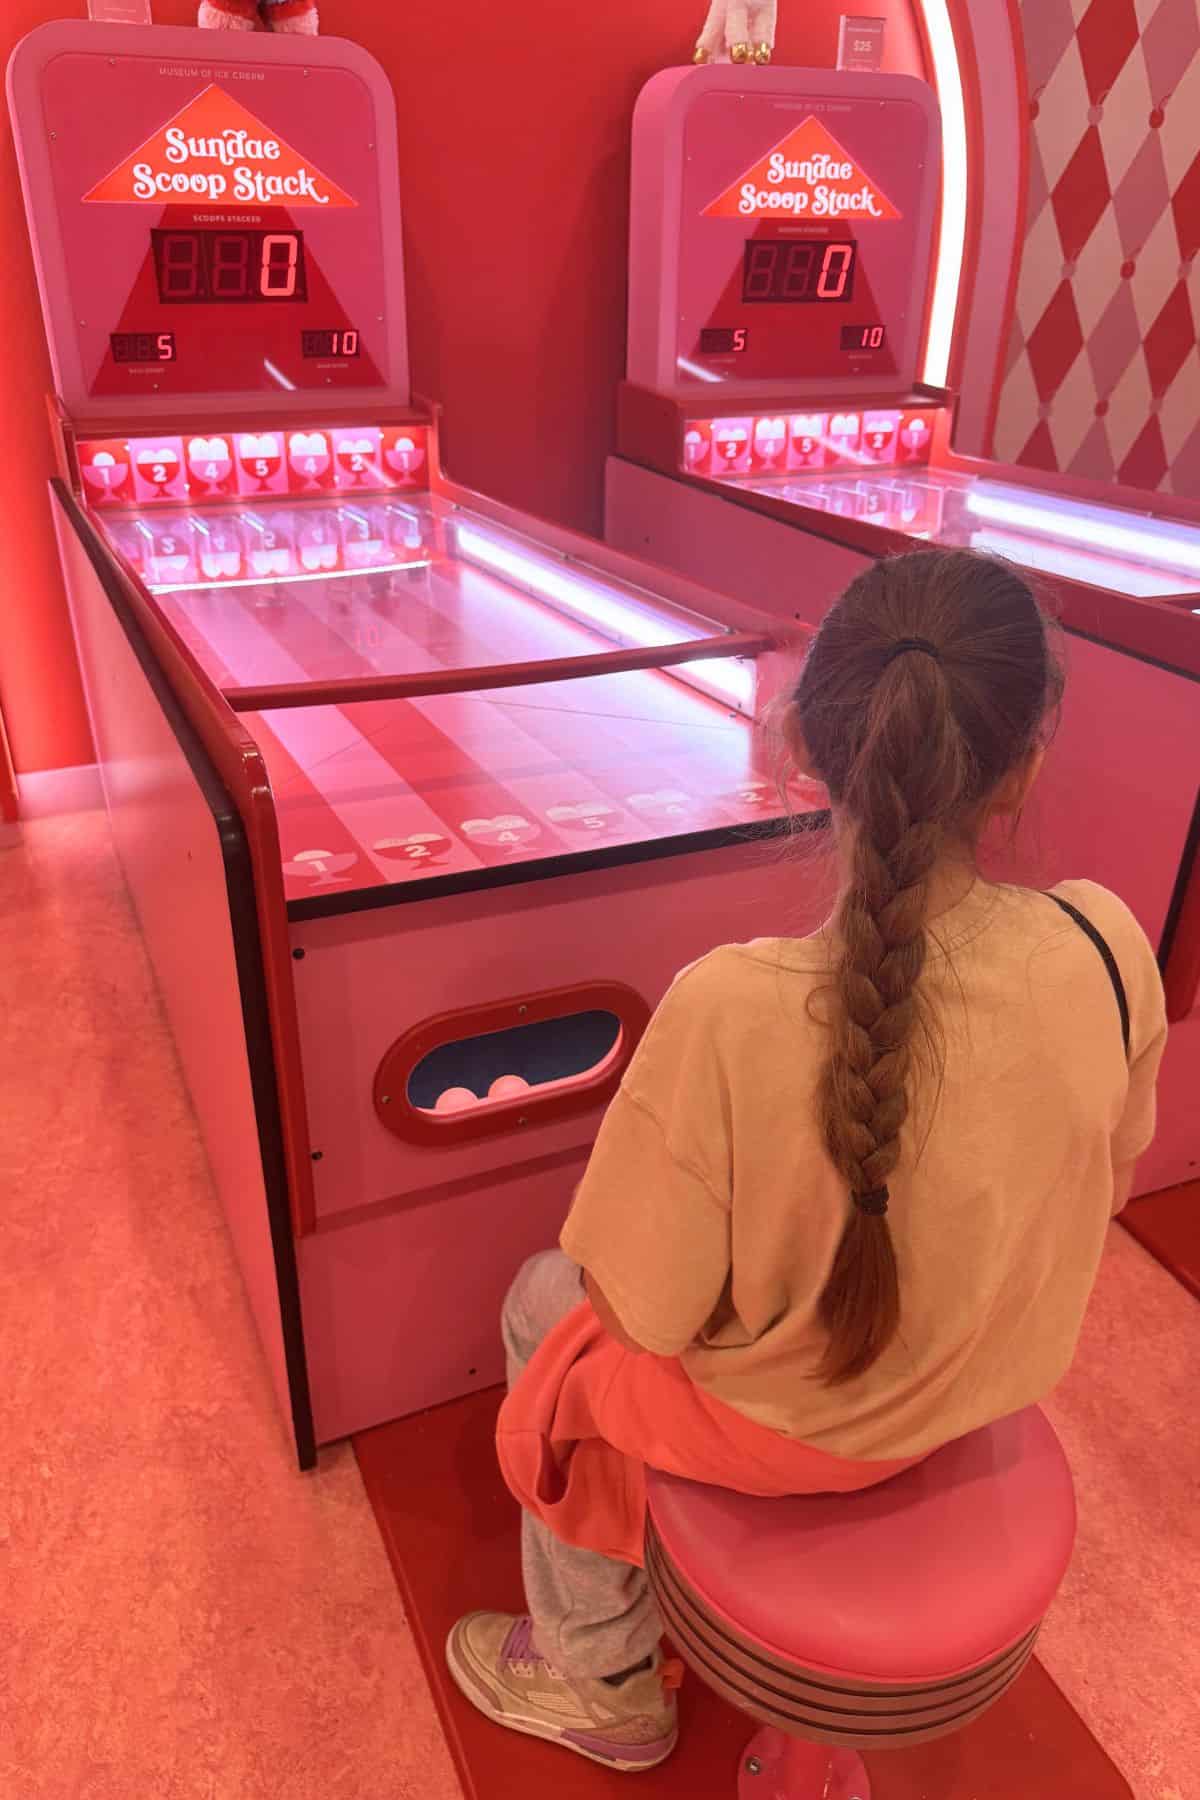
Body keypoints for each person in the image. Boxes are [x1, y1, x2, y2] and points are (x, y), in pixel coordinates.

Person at [445, 548, 1168, 1771]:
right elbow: (1114, 1180)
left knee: (541, 1303)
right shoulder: (1105, 944)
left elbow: (643, 1313)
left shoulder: (729, 1009)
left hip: (788, 1437)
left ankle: (599, 1677)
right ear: (1025, 764)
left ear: (804, 750)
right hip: (979, 1383)